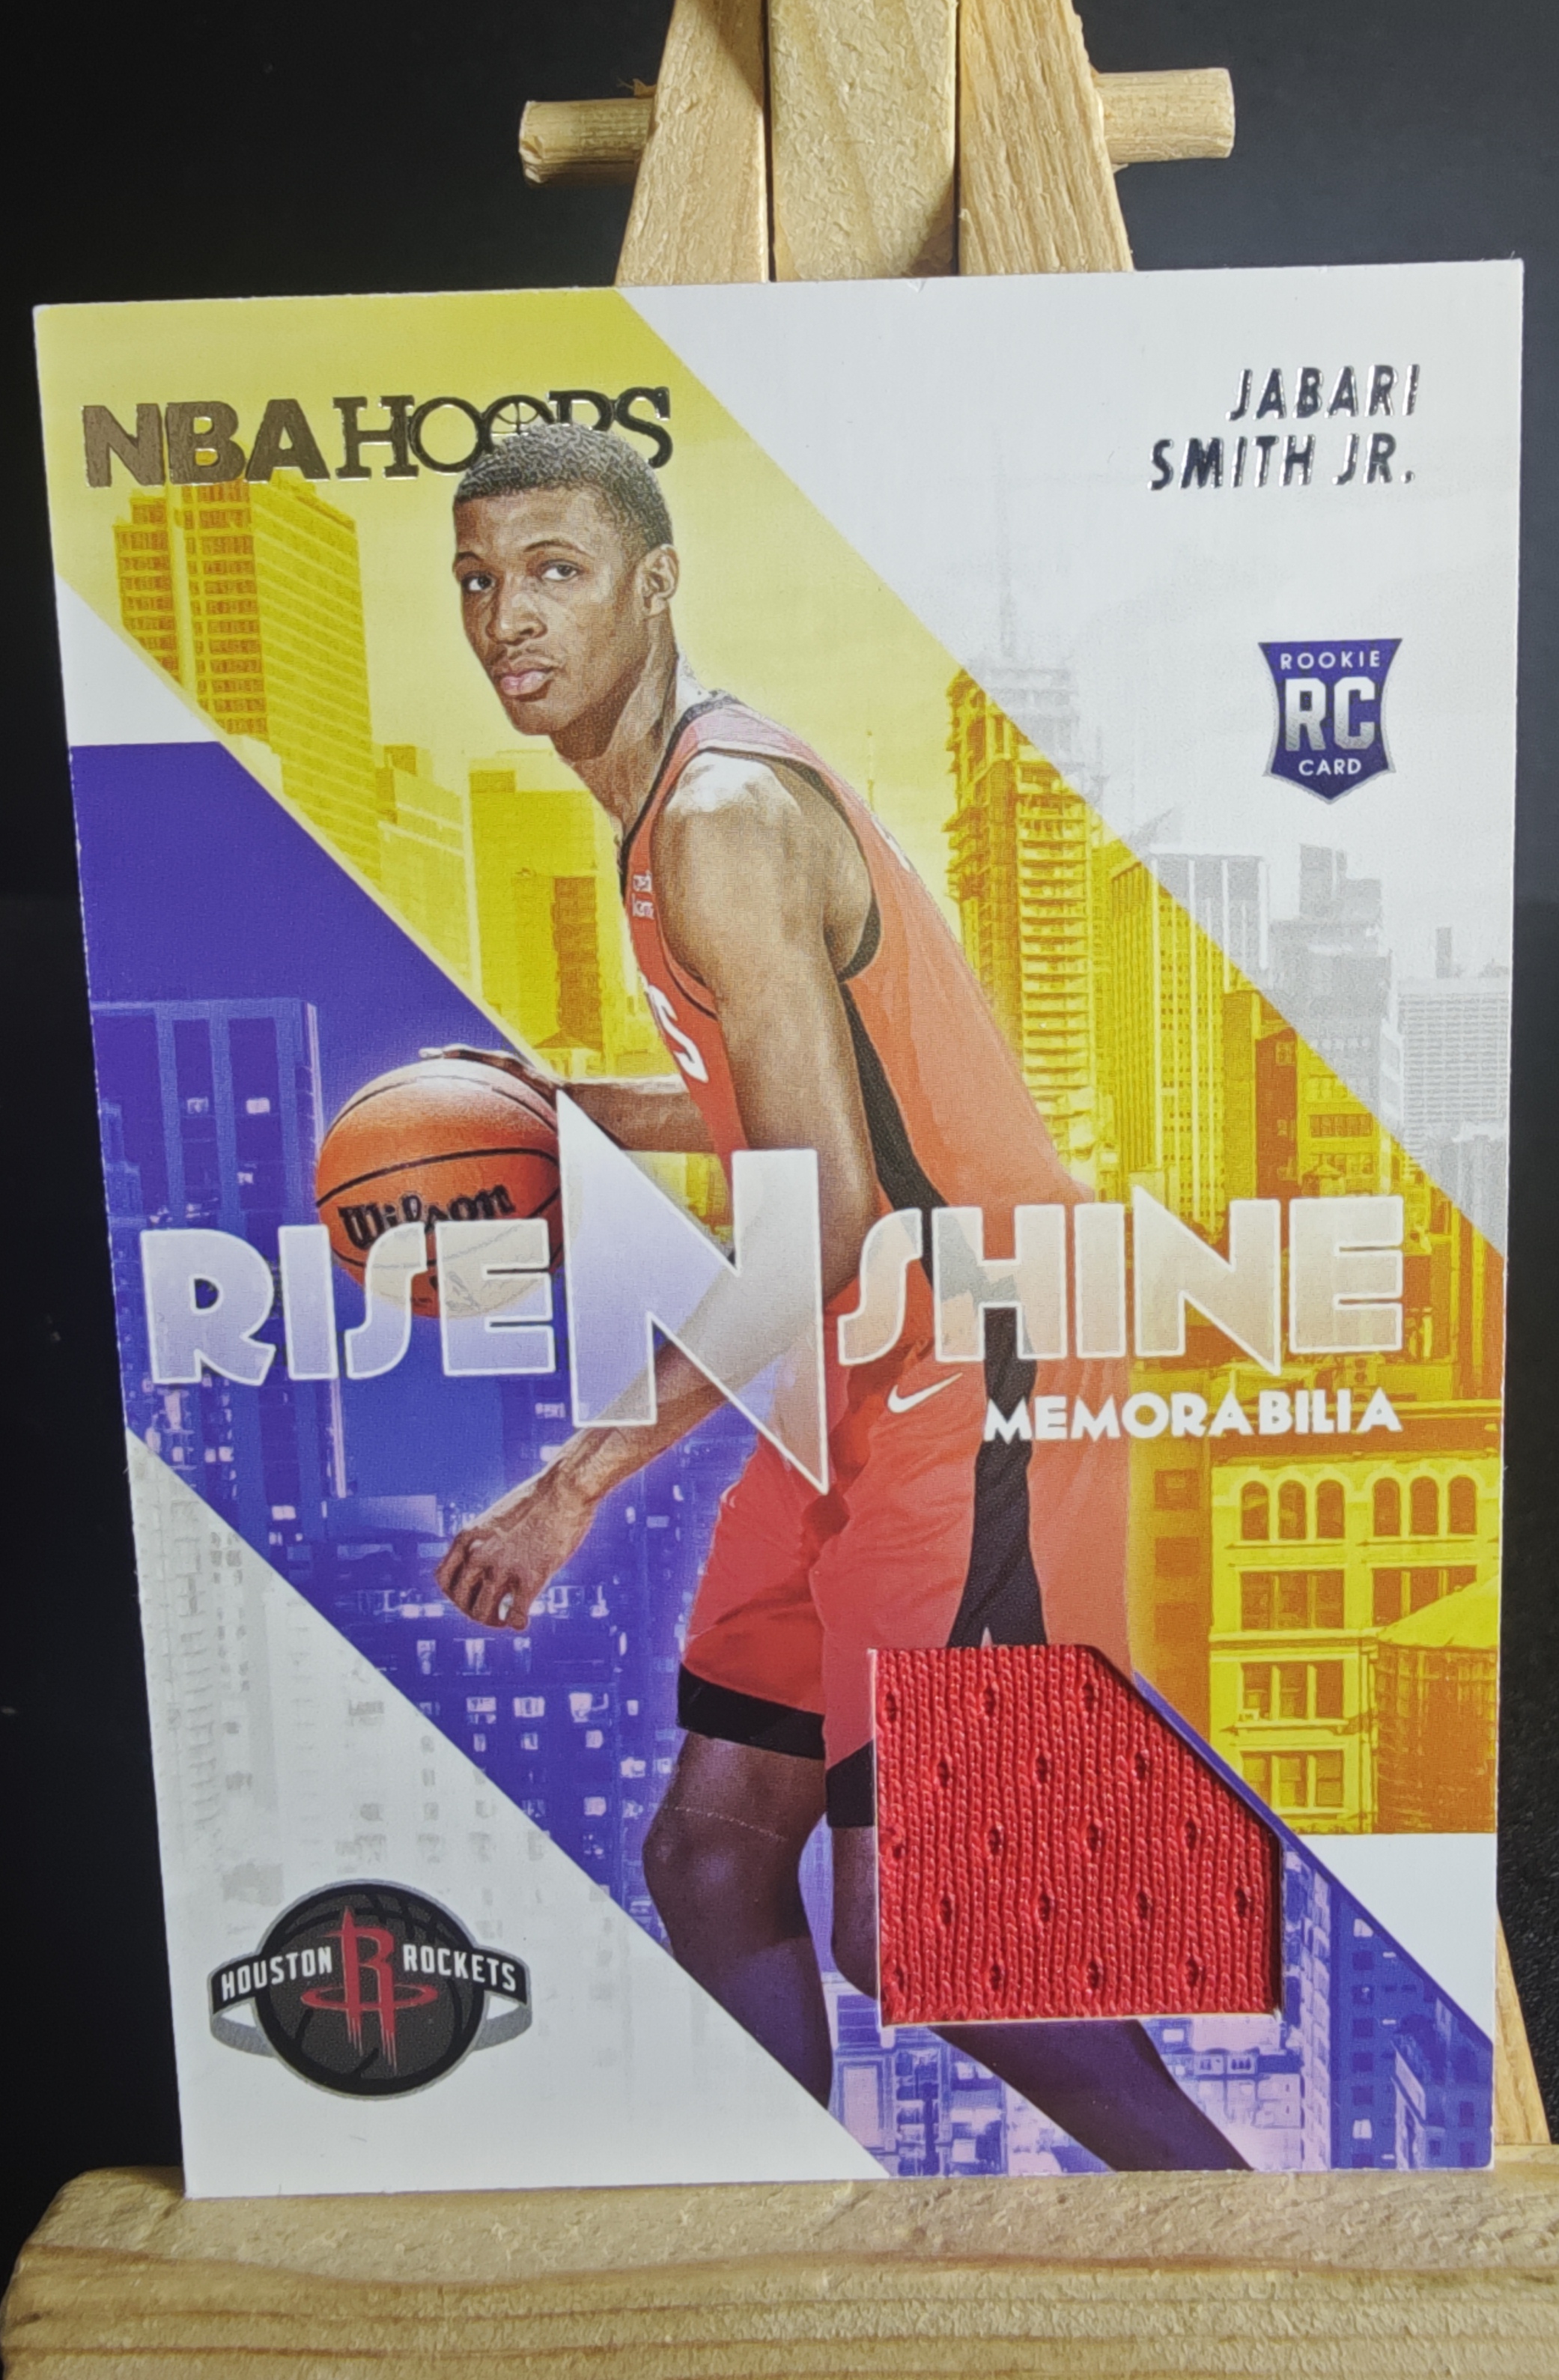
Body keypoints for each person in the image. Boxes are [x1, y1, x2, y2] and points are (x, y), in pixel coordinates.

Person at [434, 421, 1242, 2170]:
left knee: (926, 1928)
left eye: (557, 571)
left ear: (656, 584)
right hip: (864, 1359)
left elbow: (825, 1224)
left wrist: (575, 1482)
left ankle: (1255, 2245)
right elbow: (811, 1117)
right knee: (714, 1852)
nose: (511, 617)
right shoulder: (669, 814)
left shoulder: (720, 820)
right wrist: (580, 1110)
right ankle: (798, 2246)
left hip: (977, 1355)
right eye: (480, 581)